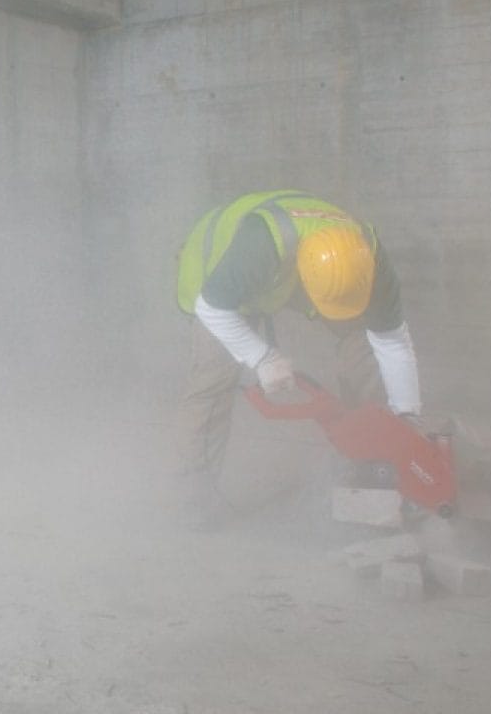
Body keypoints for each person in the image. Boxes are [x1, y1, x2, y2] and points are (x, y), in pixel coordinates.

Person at [174, 190, 422, 527]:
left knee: (363, 339)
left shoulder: (369, 257)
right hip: (216, 276)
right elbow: (212, 309)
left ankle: (372, 458)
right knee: (213, 382)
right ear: (303, 277)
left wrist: (405, 418)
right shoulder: (257, 247)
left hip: (285, 269)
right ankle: (195, 503)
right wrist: (262, 358)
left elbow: (392, 341)